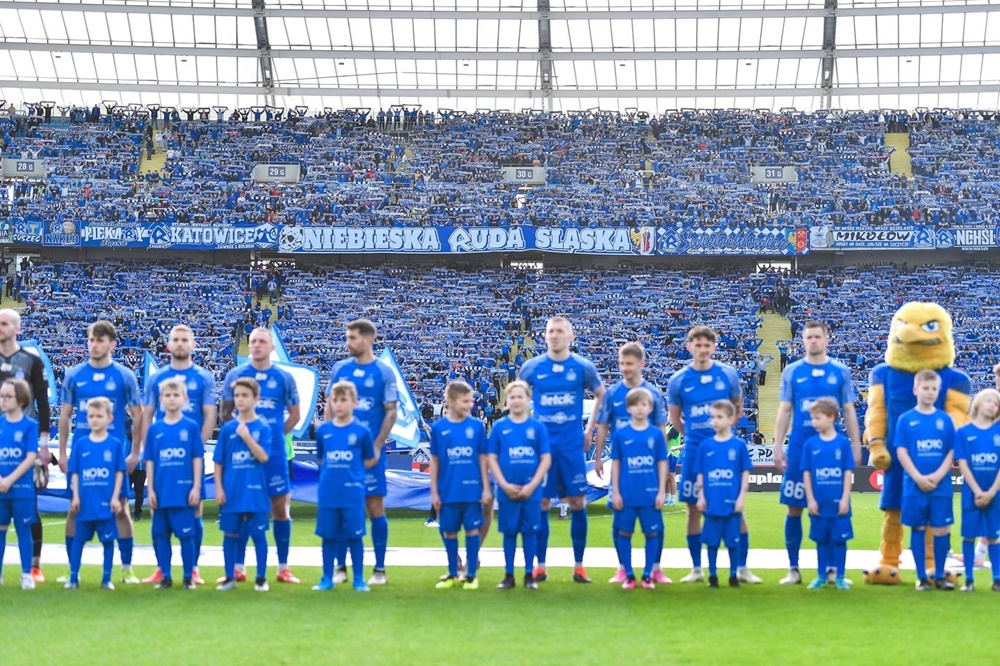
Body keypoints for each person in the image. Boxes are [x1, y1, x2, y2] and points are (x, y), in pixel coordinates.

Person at [668, 325, 760, 584]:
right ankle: (697, 568)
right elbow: (674, 418)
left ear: (714, 347)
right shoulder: (678, 380)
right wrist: (694, 436)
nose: (703, 349)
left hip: (724, 452)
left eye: (708, 345)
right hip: (695, 452)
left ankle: (741, 567)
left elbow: (737, 406)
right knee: (693, 510)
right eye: (697, 345)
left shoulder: (727, 374)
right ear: (689, 347)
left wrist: (724, 435)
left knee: (735, 511)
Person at [772, 320, 861, 585]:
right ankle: (794, 568)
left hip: (831, 449)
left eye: (817, 337)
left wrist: (856, 445)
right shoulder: (792, 371)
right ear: (802, 340)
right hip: (800, 448)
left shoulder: (840, 372)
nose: (813, 341)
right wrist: (778, 445)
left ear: (826, 339)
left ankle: (833, 571)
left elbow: (849, 411)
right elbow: (785, 410)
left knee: (834, 509)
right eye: (808, 337)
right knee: (794, 508)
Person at [518, 316, 604, 583]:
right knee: (542, 504)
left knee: (578, 503)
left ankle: (579, 566)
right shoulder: (532, 368)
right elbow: (517, 397)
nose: (554, 335)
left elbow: (601, 394)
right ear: (544, 337)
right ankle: (540, 566)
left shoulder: (582, 367)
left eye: (560, 331)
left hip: (570, 447)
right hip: (542, 449)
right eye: (550, 331)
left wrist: (589, 429)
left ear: (571, 337)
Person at [58, 320, 142, 585]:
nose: (94, 345)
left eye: (100, 340)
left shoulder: (124, 375)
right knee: (74, 509)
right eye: (91, 340)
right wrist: (62, 452)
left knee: (121, 509)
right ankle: (73, 569)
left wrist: (136, 451)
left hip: (113, 452)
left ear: (112, 344)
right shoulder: (74, 375)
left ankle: (127, 568)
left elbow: (137, 415)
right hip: (82, 451)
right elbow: (65, 415)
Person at [221, 327, 300, 584]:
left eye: (262, 341)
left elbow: (295, 415)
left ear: (272, 346)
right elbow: (225, 413)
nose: (256, 345)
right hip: (243, 454)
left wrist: (274, 434)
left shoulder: (284, 377)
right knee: (243, 507)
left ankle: (283, 567)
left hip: (274, 452)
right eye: (252, 340)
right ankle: (239, 568)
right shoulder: (236, 375)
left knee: (279, 507)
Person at [140, 324, 217, 586]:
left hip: (189, 456)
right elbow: (147, 415)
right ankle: (163, 570)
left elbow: (210, 415)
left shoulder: (204, 377)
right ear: (169, 344)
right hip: (162, 456)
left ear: (193, 344)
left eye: (185, 339)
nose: (181, 343)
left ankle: (191, 569)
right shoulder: (156, 379)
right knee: (158, 512)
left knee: (193, 512)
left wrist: (196, 445)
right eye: (176, 339)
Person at [593, 342, 671, 585]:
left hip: (648, 466)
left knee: (654, 522)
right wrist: (597, 457)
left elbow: (661, 429)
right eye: (621, 363)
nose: (625, 368)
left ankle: (655, 568)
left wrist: (664, 464)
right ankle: (622, 568)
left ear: (641, 364)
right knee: (620, 519)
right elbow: (603, 426)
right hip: (622, 465)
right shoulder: (613, 393)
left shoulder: (653, 394)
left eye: (629, 363)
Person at [327, 319, 397, 586]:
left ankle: (379, 569)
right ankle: (341, 567)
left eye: (352, 338)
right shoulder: (340, 369)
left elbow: (391, 411)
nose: (348, 343)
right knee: (344, 508)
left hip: (369, 454)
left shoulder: (383, 372)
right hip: (341, 454)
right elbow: (331, 407)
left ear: (368, 340)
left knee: (374, 506)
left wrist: (377, 446)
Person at [0, 309, 52, 583]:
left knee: (28, 505)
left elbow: (43, 402)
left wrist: (43, 442)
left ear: (16, 328)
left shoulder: (31, 360)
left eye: (4, 323)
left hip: (24, 439)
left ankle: (34, 565)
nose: (0, 327)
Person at [895, 370, 957, 591]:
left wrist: (939, 475)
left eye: (933, 389)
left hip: (941, 487)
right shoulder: (906, 420)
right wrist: (918, 477)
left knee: (941, 529)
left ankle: (939, 576)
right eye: (925, 388)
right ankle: (922, 577)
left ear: (938, 391)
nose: (930, 392)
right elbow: (901, 452)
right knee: (919, 528)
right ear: (916, 390)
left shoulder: (945, 420)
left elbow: (951, 452)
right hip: (914, 486)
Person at [487, 380, 551, 590]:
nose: (516, 401)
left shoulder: (537, 427)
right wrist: (503, 484)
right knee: (509, 532)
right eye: (512, 397)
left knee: (530, 532)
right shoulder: (499, 428)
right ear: (507, 401)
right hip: (507, 490)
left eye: (520, 397)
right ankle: (508, 575)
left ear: (528, 400)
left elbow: (545, 459)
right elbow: (492, 458)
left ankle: (529, 575)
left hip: (531, 490)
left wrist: (533, 485)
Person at [313, 380, 376, 592]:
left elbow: (368, 459)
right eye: (334, 400)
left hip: (353, 493)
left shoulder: (361, 431)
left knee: (355, 536)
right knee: (328, 536)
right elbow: (322, 459)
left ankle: (359, 578)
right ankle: (326, 578)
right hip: (329, 492)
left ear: (354, 402)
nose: (338, 404)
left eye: (343, 400)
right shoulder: (323, 432)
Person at [142, 378, 203, 590]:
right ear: (160, 399)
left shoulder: (191, 427)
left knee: (187, 535)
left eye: (176, 395)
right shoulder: (154, 429)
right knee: (161, 534)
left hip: (184, 492)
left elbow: (197, 459)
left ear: (184, 399)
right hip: (161, 491)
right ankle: (165, 576)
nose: (171, 399)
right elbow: (150, 460)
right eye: (167, 395)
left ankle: (188, 577)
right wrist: (149, 489)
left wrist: (196, 487)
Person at [430, 381, 490, 590]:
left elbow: (483, 459)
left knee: (472, 530)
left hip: (472, 490)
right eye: (465, 401)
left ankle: (471, 574)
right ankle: (453, 573)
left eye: (470, 400)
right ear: (451, 401)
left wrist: (485, 487)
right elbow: (435, 461)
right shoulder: (439, 429)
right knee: (449, 531)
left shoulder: (477, 427)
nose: (470, 404)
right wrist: (434, 491)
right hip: (448, 490)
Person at [214, 377, 272, 592]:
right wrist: (219, 488)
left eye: (244, 395)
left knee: (257, 534)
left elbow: (264, 457)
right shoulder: (228, 429)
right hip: (232, 490)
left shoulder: (262, 427)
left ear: (255, 398)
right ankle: (230, 577)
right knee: (230, 533)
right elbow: (218, 462)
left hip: (256, 491)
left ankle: (261, 578)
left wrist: (247, 438)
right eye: (237, 395)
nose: (240, 399)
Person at [610, 387, 668, 590]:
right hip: (626, 494)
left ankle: (646, 575)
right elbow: (616, 463)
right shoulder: (621, 434)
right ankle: (629, 575)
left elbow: (662, 463)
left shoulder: (656, 435)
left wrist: (661, 491)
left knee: (652, 534)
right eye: (636, 404)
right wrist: (615, 491)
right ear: (629, 408)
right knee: (624, 533)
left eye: (644, 404)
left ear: (651, 408)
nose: (640, 408)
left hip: (650, 494)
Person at [65, 397, 125, 590]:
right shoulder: (80, 444)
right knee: (78, 540)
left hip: (106, 504)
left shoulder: (115, 445)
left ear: (109, 418)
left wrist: (116, 497)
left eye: (99, 416)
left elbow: (118, 473)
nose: (95, 419)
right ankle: (73, 577)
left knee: (108, 542)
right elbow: (75, 472)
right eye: (91, 416)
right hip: (84, 503)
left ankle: (106, 579)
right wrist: (75, 496)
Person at [696, 400, 751, 588]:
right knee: (711, 541)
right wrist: (702, 496)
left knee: (732, 541)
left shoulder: (739, 445)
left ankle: (734, 574)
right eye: (712, 417)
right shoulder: (706, 446)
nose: (714, 421)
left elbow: (745, 473)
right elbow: (701, 473)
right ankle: (712, 575)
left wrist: (741, 498)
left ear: (730, 419)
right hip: (712, 502)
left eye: (719, 417)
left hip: (732, 503)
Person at [801, 398, 855, 590]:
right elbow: (806, 473)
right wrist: (810, 499)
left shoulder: (842, 444)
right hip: (819, 504)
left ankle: (840, 576)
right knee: (821, 540)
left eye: (817, 418)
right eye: (812, 418)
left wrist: (845, 499)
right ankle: (821, 576)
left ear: (831, 417)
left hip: (839, 503)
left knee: (840, 540)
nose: (814, 422)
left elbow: (848, 472)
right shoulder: (810, 444)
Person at [954, 388, 1000, 592]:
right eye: (990, 401)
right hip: (971, 493)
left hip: (995, 494)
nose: (993, 405)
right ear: (978, 403)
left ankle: (997, 578)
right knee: (969, 534)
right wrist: (977, 490)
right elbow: (963, 464)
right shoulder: (964, 433)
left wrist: (991, 492)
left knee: (994, 535)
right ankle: (969, 579)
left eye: (996, 404)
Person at [0, 378, 39, 589]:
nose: (3, 400)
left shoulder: (29, 426)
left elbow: (30, 457)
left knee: (24, 531)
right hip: (1, 490)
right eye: (1, 395)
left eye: (8, 396)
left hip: (22, 489)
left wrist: (8, 480)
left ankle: (26, 574)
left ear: (21, 399)